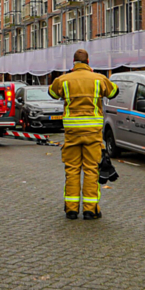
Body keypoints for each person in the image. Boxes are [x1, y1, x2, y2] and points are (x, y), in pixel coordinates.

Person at [49, 49, 119, 220]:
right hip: (92, 133)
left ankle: (71, 210)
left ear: (73, 62)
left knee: (72, 170)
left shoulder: (63, 80)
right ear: (88, 61)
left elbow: (52, 93)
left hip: (72, 132)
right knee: (91, 170)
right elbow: (114, 92)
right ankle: (90, 210)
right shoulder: (99, 79)